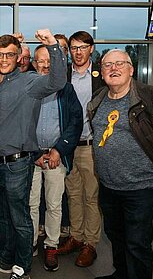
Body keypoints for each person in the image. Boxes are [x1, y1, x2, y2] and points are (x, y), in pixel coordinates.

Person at [0, 29, 67, 279]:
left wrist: (52, 46)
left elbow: (58, 81)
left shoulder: (30, 82)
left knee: (20, 219)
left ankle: (23, 266)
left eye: (9, 55)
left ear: (19, 58)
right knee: (1, 218)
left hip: (17, 165)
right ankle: (6, 258)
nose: (4, 59)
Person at [88, 49, 153, 279]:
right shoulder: (98, 100)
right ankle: (121, 274)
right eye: (108, 65)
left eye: (120, 63)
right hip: (109, 187)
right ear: (102, 72)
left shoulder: (148, 97)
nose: (113, 69)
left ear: (131, 69)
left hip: (140, 188)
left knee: (137, 243)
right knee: (116, 237)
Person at [28, 44, 83, 272]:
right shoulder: (28, 87)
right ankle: (29, 244)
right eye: (41, 60)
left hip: (56, 156)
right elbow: (20, 125)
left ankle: (51, 244)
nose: (46, 65)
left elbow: (75, 122)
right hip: (32, 157)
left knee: (53, 204)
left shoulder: (66, 89)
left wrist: (58, 150)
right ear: (34, 63)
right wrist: (35, 154)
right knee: (30, 204)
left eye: (50, 60)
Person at [58, 30, 106, 268]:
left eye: (82, 47)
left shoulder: (99, 77)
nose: (78, 52)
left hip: (90, 146)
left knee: (91, 197)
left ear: (91, 49)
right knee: (73, 194)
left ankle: (90, 243)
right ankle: (76, 236)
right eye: (74, 48)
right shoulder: (64, 75)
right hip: (68, 147)